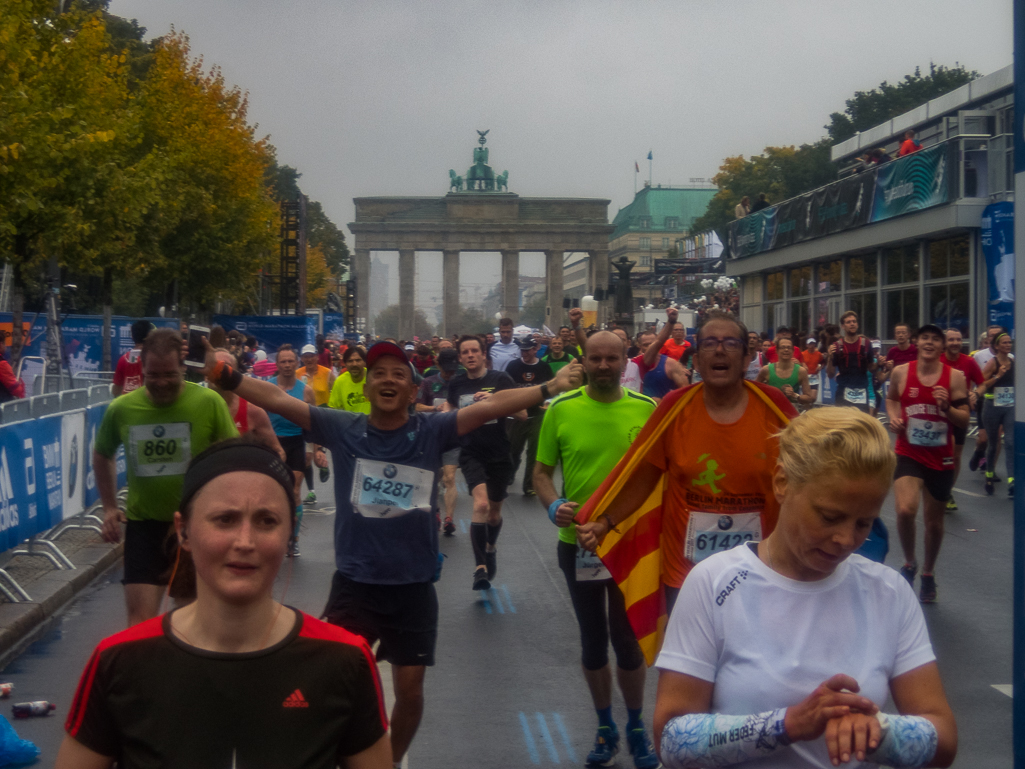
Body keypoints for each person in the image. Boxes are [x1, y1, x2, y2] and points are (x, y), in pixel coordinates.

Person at [202, 339, 583, 766]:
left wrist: (548, 387)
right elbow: (277, 398)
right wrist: (231, 378)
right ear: (367, 388)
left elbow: (489, 407)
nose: (387, 380)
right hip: (355, 584)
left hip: (413, 585)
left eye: (398, 375)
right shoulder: (343, 428)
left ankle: (387, 761)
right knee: (332, 687)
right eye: (379, 373)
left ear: (411, 390)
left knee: (411, 694)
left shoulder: (431, 431)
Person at [651, 407, 957, 769]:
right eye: (829, 517)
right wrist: (787, 725)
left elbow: (944, 740)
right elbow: (670, 738)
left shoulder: (889, 592)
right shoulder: (712, 583)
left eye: (864, 523)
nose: (845, 539)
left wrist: (879, 731)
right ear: (782, 483)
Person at [58, 439, 391, 769]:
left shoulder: (345, 660)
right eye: (224, 520)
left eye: (267, 521)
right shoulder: (119, 661)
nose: (245, 542)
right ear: (184, 530)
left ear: (291, 530)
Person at [575, 310, 799, 637]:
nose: (719, 350)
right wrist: (606, 521)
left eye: (730, 343)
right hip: (687, 576)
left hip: (761, 572)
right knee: (692, 676)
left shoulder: (774, 407)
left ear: (748, 356)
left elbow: (809, 474)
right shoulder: (674, 408)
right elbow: (645, 475)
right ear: (696, 357)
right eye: (709, 343)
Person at [534, 331, 659, 769]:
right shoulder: (561, 410)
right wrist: (554, 506)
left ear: (627, 361)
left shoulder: (646, 411)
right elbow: (541, 473)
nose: (603, 366)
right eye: (595, 359)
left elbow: (660, 477)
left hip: (630, 547)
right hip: (579, 545)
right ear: (582, 361)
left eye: (612, 359)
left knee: (627, 643)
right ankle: (605, 726)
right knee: (592, 643)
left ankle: (638, 726)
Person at [94, 328, 238, 627]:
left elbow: (232, 457)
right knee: (139, 624)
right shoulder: (122, 408)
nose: (161, 382)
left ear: (183, 368)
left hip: (194, 527)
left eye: (170, 374)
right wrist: (109, 507)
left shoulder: (208, 403)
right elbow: (102, 452)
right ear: (142, 370)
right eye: (153, 375)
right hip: (145, 527)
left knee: (193, 623)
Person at [888, 324, 969, 604]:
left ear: (942, 347)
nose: (930, 343)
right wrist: (895, 417)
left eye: (936, 339)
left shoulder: (955, 378)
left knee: (933, 524)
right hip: (908, 451)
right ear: (916, 342)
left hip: (940, 457)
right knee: (905, 509)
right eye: (925, 338)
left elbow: (965, 420)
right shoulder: (901, 372)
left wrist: (948, 409)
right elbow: (891, 399)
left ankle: (928, 573)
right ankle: (910, 561)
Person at [447, 335, 524, 589]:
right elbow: (449, 413)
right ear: (460, 358)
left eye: (474, 351)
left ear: (483, 355)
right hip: (471, 452)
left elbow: (522, 413)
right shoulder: (457, 384)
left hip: (500, 453)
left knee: (493, 515)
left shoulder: (499, 380)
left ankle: (491, 548)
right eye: (465, 352)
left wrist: (493, 403)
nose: (470, 355)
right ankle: (480, 568)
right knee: (480, 504)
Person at [268, 344, 318, 556]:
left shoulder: (306, 391)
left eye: (291, 361)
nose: (287, 365)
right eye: (283, 361)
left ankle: (293, 540)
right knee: (272, 492)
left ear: (297, 363)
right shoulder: (267, 387)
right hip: (273, 443)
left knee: (295, 490)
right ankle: (272, 535)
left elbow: (313, 423)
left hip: (296, 441)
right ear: (277, 365)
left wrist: (315, 449)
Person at [415, 347, 461, 535]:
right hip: (431, 436)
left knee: (449, 478)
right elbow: (415, 406)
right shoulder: (427, 383)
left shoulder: (460, 383)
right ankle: (435, 511)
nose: (450, 374)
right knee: (433, 478)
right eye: (446, 369)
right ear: (437, 364)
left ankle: (449, 519)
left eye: (453, 369)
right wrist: (434, 409)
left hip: (452, 437)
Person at [210, 349, 284, 461]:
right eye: (214, 366)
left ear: (235, 375)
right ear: (205, 373)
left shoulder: (253, 411)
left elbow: (278, 451)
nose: (220, 371)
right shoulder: (195, 407)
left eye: (226, 367)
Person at [940, 328, 984, 510]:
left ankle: (947, 491)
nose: (955, 343)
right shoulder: (938, 361)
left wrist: (975, 393)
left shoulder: (969, 362)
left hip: (960, 413)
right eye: (951, 340)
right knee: (946, 452)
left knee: (956, 456)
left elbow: (981, 383)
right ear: (945, 343)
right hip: (941, 413)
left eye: (958, 339)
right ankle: (937, 487)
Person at [506, 336, 554, 497]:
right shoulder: (513, 366)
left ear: (535, 349)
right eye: (522, 350)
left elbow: (551, 389)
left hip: (537, 415)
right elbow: (506, 389)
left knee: (533, 453)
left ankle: (529, 485)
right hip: (518, 415)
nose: (524, 353)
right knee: (513, 449)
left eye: (527, 350)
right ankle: (510, 473)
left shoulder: (544, 367)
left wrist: (548, 403)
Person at [297, 343, 336, 505]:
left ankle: (323, 465)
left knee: (316, 457)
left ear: (316, 357)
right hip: (303, 417)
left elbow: (335, 393)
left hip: (322, 418)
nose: (309, 359)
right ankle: (312, 492)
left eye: (311, 356)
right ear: (302, 358)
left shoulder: (327, 373)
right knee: (307, 458)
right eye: (305, 356)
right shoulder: (297, 374)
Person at [968, 325, 1009, 475]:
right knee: (984, 439)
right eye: (991, 336)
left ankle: (991, 469)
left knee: (997, 437)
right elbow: (974, 378)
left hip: (1003, 401)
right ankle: (978, 453)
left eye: (998, 335)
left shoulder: (1011, 357)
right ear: (988, 339)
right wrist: (972, 395)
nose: (994, 338)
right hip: (984, 400)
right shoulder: (979, 356)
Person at [979, 331, 1015, 497]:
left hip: (1009, 406)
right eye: (1005, 343)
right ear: (997, 346)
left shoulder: (1014, 362)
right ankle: (989, 474)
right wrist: (998, 375)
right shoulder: (992, 363)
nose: (1008, 345)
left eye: (1009, 342)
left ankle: (1012, 480)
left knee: (1009, 442)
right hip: (992, 406)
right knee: (993, 444)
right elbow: (982, 384)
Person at [826, 310, 877, 412]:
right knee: (843, 424)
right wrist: (830, 357)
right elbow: (831, 374)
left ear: (857, 325)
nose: (852, 324)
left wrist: (878, 363)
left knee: (861, 424)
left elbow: (872, 369)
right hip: (843, 390)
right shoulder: (837, 346)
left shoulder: (866, 344)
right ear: (843, 326)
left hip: (862, 389)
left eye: (854, 321)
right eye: (848, 322)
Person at [757, 337, 813, 408]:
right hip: (771, 413)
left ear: (793, 351)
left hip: (791, 414)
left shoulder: (801, 371)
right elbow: (754, 390)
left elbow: (809, 398)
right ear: (777, 350)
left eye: (789, 347)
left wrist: (794, 395)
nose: (786, 350)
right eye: (782, 347)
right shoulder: (766, 369)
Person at [112, 320, 152, 397]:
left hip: (127, 405)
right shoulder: (153, 358)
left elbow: (115, 391)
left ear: (132, 336)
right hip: (146, 405)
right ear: (149, 335)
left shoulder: (122, 360)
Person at [329, 346, 371, 414]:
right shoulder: (340, 381)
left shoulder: (372, 377)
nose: (354, 364)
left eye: (358, 360)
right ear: (345, 364)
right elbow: (333, 409)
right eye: (350, 361)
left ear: (364, 362)